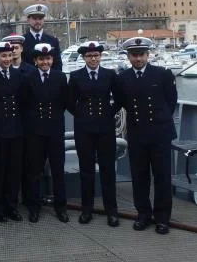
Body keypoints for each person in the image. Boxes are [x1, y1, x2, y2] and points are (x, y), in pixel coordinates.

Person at [114, 36, 178, 235]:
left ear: (148, 55)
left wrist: (159, 121)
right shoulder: (123, 79)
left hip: (160, 133)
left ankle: (162, 218)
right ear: (129, 57)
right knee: (140, 177)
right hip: (137, 133)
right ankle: (143, 214)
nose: (138, 59)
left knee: (162, 177)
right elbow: (121, 102)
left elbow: (171, 101)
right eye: (134, 55)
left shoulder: (163, 74)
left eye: (141, 55)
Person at [67, 41, 119, 227]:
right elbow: (69, 102)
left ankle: (111, 211)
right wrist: (82, 116)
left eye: (96, 55)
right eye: (89, 56)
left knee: (107, 170)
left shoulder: (109, 75)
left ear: (100, 56)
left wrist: (108, 113)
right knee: (86, 170)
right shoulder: (76, 76)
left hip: (105, 129)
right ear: (83, 58)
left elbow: (119, 98)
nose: (93, 59)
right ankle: (86, 209)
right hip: (85, 129)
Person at [21, 43, 68, 223]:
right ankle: (34, 206)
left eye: (48, 58)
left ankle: (61, 207)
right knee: (35, 171)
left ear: (52, 59)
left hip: (55, 130)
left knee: (58, 170)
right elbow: (24, 103)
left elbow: (63, 101)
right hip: (35, 131)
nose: (45, 62)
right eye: (41, 59)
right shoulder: (28, 78)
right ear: (35, 60)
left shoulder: (60, 77)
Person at [0, 41, 25, 222]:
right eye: (3, 56)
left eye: (10, 55)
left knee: (14, 170)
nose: (7, 59)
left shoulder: (18, 74)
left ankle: (11, 205)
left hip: (15, 129)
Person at [21, 4, 61, 70]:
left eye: (40, 18)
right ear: (28, 20)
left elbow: (58, 64)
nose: (38, 21)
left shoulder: (53, 41)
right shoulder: (22, 41)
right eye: (34, 19)